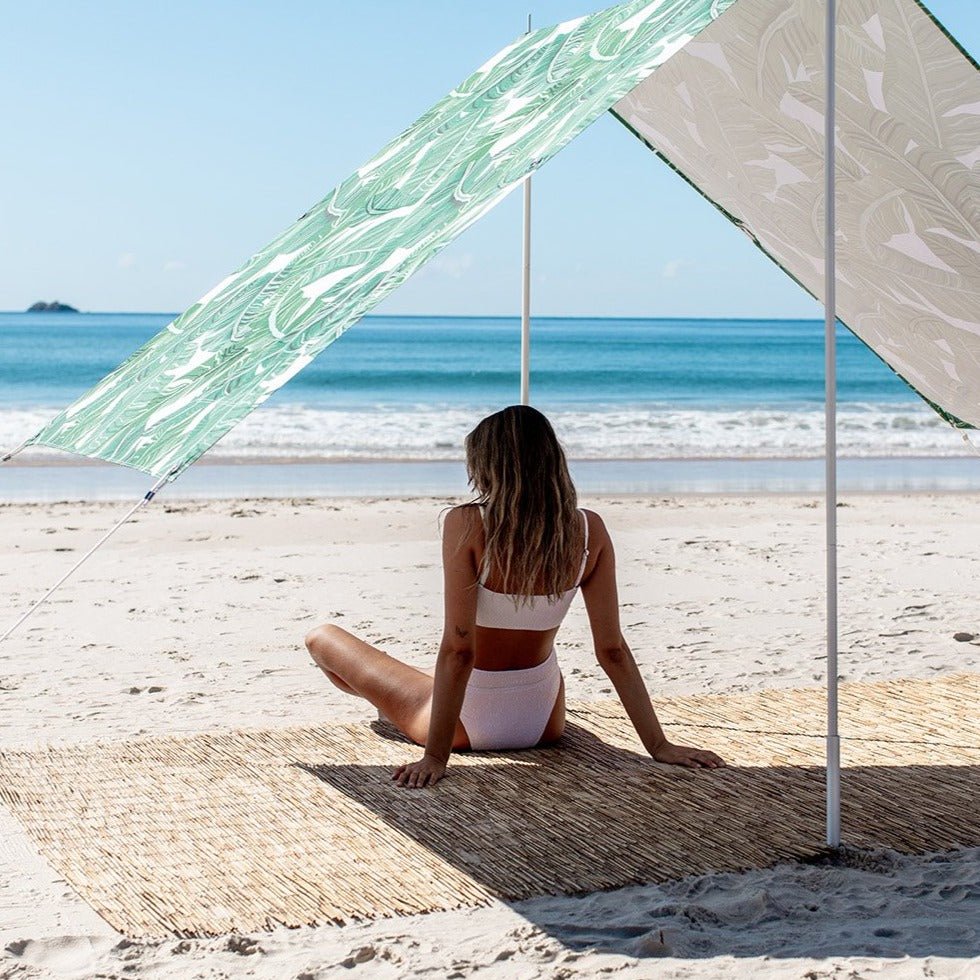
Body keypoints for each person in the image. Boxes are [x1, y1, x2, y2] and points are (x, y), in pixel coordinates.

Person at [305, 405, 724, 788]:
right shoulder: (588, 530)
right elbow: (611, 650)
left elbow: (459, 651)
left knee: (322, 639)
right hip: (544, 721)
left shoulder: (467, 523)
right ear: (553, 460)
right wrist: (659, 746)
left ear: (486, 465)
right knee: (426, 677)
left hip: (464, 726)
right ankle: (399, 700)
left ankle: (391, 704)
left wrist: (435, 756)